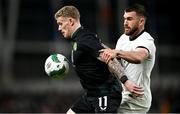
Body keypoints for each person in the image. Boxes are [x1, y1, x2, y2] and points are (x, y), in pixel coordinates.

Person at [54, 5, 143, 114]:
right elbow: (105, 49)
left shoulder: (84, 39)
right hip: (91, 95)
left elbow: (110, 58)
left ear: (71, 21)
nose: (59, 28)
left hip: (105, 94)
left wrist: (126, 81)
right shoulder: (80, 38)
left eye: (60, 24)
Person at [100, 4, 156, 113]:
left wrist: (116, 52)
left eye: (129, 19)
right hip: (124, 94)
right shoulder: (123, 39)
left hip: (137, 99)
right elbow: (116, 65)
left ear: (141, 21)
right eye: (124, 19)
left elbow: (139, 57)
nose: (125, 22)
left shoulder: (147, 40)